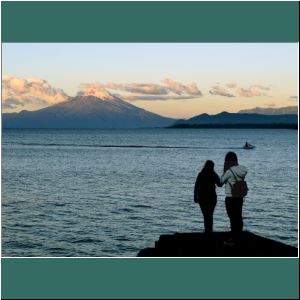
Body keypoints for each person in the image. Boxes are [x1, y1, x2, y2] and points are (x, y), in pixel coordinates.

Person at [220, 152, 247, 244]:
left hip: (230, 197)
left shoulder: (229, 171)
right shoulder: (242, 169)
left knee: (232, 218)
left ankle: (233, 238)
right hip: (239, 197)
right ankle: (239, 236)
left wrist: (222, 174)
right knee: (238, 217)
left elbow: (220, 183)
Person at [194, 160, 221, 233]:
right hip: (211, 197)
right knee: (210, 215)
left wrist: (195, 197)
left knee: (206, 215)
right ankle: (209, 231)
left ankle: (207, 231)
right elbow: (219, 184)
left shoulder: (201, 174)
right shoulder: (213, 174)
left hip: (202, 197)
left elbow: (196, 186)